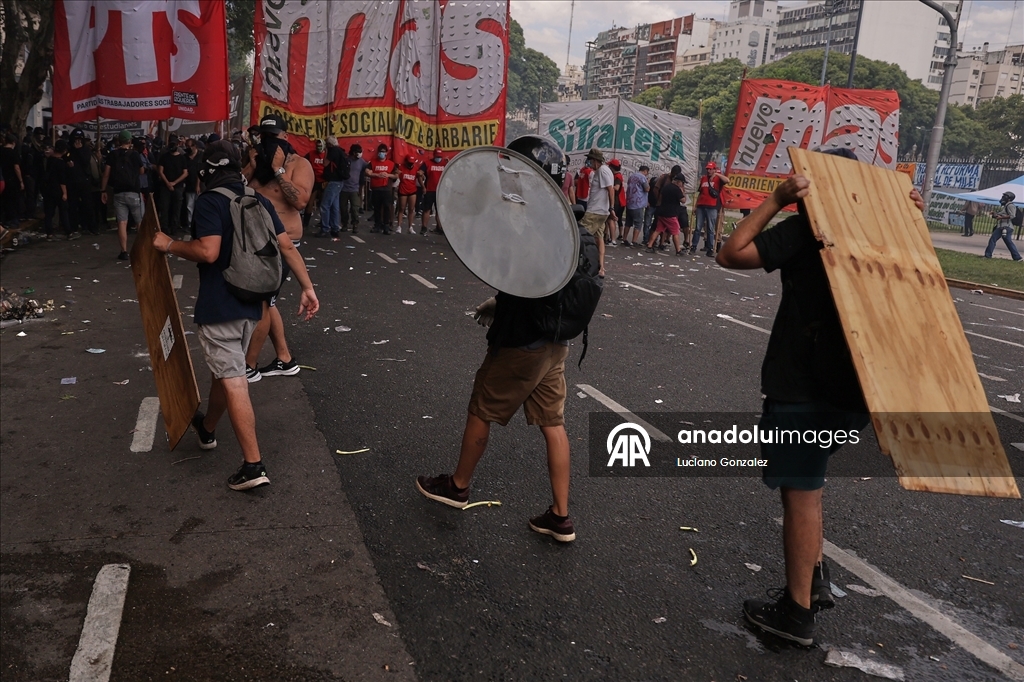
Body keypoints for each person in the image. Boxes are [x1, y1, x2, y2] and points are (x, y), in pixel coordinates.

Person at [716, 147, 925, 646]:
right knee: (812, 482)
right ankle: (814, 577)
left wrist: (776, 200)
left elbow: (732, 252)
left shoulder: (809, 230)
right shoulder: (881, 232)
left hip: (803, 385)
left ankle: (796, 615)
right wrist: (907, 217)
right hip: (857, 388)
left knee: (802, 493)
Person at [415, 135, 584, 543]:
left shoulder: (526, 223)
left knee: (481, 408)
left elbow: (515, 272)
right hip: (556, 342)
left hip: (521, 341)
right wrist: (498, 299)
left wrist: (501, 304)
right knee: (553, 422)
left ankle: (457, 487)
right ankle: (560, 516)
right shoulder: (571, 225)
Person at [152, 140, 319, 491]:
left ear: (207, 173)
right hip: (251, 305)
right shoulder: (258, 198)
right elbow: (286, 244)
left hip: (219, 306)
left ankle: (253, 465)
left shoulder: (210, 202)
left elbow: (207, 251)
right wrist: (307, 288)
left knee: (233, 378)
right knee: (225, 371)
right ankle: (207, 427)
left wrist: (169, 245)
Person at [242, 115, 315, 380]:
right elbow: (237, 190)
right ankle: (284, 358)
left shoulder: (299, 164)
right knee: (268, 303)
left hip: (281, 246)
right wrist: (252, 166)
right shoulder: (256, 162)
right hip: (253, 242)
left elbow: (300, 202)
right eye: (265, 137)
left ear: (286, 137)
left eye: (275, 137)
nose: (270, 142)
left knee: (262, 303)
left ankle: (249, 366)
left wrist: (278, 171)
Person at [99, 129, 146, 260]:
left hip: (118, 193)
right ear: (130, 141)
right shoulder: (135, 155)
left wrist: (103, 190)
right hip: (134, 192)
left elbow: (106, 174)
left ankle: (124, 251)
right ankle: (142, 250)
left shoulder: (113, 155)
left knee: (122, 223)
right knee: (139, 222)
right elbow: (141, 171)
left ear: (118, 141)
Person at [579, 148, 615, 278]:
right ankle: (601, 268)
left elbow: (610, 190)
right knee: (599, 239)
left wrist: (612, 208)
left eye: (590, 159)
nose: (588, 162)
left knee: (580, 235)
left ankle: (579, 265)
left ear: (595, 160)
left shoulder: (602, 171)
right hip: (601, 211)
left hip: (595, 211)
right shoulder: (602, 171)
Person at [41, 141, 76, 241]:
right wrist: (65, 193)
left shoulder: (50, 160)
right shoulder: (60, 163)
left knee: (49, 213)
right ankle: (68, 232)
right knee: (63, 211)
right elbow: (62, 180)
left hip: (48, 189)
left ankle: (49, 234)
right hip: (58, 190)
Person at [693, 161, 729, 256]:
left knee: (710, 228)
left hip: (712, 206)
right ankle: (693, 246)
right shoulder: (703, 178)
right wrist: (695, 206)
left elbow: (727, 180)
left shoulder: (718, 179)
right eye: (707, 169)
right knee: (698, 227)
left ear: (714, 169)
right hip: (701, 205)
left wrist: (716, 174)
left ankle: (710, 248)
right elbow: (700, 193)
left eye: (710, 169)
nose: (708, 170)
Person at [645, 173, 685, 255]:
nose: (682, 184)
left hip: (661, 212)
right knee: (676, 232)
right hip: (671, 214)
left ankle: (649, 246)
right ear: (679, 182)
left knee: (658, 230)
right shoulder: (677, 189)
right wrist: (682, 191)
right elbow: (683, 200)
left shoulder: (666, 187)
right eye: (682, 183)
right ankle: (678, 250)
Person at [157, 134, 189, 236]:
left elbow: (160, 171)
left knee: (169, 208)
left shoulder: (168, 157)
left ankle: (169, 228)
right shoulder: (178, 157)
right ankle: (169, 228)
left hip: (170, 186)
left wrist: (170, 183)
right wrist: (171, 183)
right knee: (171, 208)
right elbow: (185, 173)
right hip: (173, 186)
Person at [67, 130, 98, 235]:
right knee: (73, 206)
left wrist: (79, 150)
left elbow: (85, 161)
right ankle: (74, 228)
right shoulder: (69, 149)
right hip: (72, 181)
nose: (78, 142)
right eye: (76, 140)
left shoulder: (85, 150)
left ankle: (91, 227)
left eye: (80, 140)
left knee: (88, 205)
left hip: (84, 181)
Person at [318, 136, 347, 238]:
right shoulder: (341, 151)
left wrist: (326, 152)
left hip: (333, 181)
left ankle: (325, 228)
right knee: (334, 206)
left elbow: (325, 163)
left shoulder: (332, 151)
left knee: (325, 205)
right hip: (339, 181)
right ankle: (335, 228)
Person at [368, 143, 398, 234]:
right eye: (380, 151)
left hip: (386, 189)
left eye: (383, 152)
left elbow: (396, 175)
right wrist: (377, 175)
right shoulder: (372, 162)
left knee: (387, 208)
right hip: (376, 188)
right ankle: (377, 225)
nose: (381, 153)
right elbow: (367, 172)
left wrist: (387, 175)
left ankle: (386, 226)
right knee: (376, 208)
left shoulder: (391, 164)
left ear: (386, 153)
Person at [984, 192, 1022, 261]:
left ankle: (1017, 257)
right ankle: (987, 255)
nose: (1003, 197)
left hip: (1007, 227)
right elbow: (1001, 215)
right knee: (993, 239)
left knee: (1008, 242)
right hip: (1001, 226)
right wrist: (995, 214)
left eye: (1005, 196)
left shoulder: (1010, 205)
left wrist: (1001, 218)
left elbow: (1012, 216)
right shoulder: (1005, 206)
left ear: (1009, 198)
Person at [340, 144, 367, 234]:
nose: (359, 154)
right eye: (358, 152)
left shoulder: (362, 162)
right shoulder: (346, 160)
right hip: (344, 188)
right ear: (353, 152)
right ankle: (344, 224)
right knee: (343, 208)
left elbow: (366, 169)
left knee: (355, 208)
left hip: (355, 189)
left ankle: (355, 224)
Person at [418, 148, 446, 235]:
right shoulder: (427, 163)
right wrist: (423, 186)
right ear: (434, 156)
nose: (439, 158)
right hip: (429, 190)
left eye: (440, 157)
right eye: (437, 156)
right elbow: (419, 173)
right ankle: (424, 227)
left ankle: (439, 227)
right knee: (427, 210)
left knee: (440, 211)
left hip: (441, 191)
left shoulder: (445, 163)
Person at [1, 132, 25, 227]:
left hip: (2, 178)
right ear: (13, 142)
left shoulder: (1, 151)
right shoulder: (13, 153)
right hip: (12, 179)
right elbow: (16, 168)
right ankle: (13, 220)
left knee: (5, 200)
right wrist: (21, 181)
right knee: (14, 200)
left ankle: (5, 219)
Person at [624, 165, 650, 247]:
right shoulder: (642, 177)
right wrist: (648, 183)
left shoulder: (632, 176)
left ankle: (624, 239)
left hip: (630, 202)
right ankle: (634, 241)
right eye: (647, 173)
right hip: (638, 203)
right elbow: (647, 189)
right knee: (638, 223)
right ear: (645, 171)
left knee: (628, 222)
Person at [304, 139, 327, 230]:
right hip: (313, 181)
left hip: (323, 181)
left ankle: (323, 222)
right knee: (309, 203)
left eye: (320, 146)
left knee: (323, 203)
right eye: (317, 146)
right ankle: (305, 223)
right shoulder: (311, 154)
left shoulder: (327, 155)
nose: (319, 148)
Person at [396, 154, 419, 234]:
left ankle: (410, 227)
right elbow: (396, 176)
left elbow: (420, 178)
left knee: (411, 209)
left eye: (411, 163)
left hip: (412, 191)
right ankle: (399, 226)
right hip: (403, 190)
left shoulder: (416, 169)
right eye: (409, 163)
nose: (410, 165)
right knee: (401, 208)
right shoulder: (401, 168)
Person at [607, 158, 626, 245]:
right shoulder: (616, 175)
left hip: (616, 201)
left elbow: (617, 187)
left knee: (611, 219)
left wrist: (608, 187)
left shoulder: (617, 176)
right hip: (618, 201)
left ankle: (613, 239)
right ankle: (611, 238)